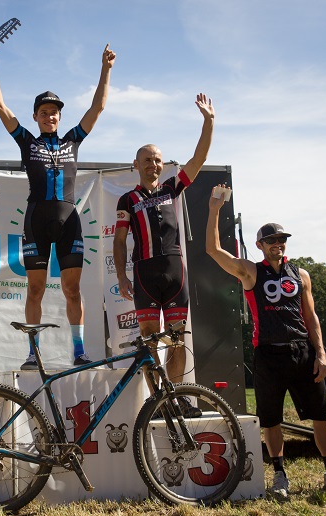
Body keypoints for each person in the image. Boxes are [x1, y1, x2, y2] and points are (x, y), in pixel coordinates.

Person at [206, 185, 326, 498]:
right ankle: (279, 477)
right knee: (271, 421)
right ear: (260, 245)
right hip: (268, 355)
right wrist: (214, 209)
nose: (278, 244)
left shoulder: (301, 274)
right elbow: (213, 250)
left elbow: (311, 316)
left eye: (282, 240)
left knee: (322, 416)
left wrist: (320, 354)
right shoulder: (251, 272)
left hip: (302, 351)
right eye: (271, 240)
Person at [0, 42, 116, 369]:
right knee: (36, 290)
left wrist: (106, 69)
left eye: (54, 111)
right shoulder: (27, 141)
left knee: (72, 290)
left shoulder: (73, 139)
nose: (50, 115)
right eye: (44, 111)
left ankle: (79, 350)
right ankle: (32, 352)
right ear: (36, 117)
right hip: (36, 222)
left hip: (69, 220)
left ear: (59, 116)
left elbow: (96, 109)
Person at [112, 94, 214, 417]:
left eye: (157, 159)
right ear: (136, 165)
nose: (153, 164)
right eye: (147, 159)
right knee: (148, 341)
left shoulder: (173, 188)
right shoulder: (127, 200)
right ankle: (158, 400)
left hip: (174, 273)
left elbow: (196, 160)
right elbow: (118, 240)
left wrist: (208, 122)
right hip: (144, 275)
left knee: (177, 340)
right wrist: (120, 275)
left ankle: (178, 397)